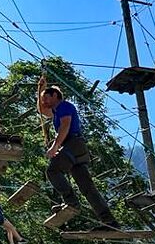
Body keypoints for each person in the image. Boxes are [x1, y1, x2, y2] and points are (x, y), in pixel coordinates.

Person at [36, 76, 117, 228]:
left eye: (46, 98)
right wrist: (40, 89)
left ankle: (71, 202)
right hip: (78, 149)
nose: (44, 101)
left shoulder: (64, 106)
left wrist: (55, 146)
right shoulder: (56, 111)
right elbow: (41, 110)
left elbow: (65, 126)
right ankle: (109, 221)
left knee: (53, 171)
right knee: (87, 187)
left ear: (55, 95)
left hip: (73, 144)